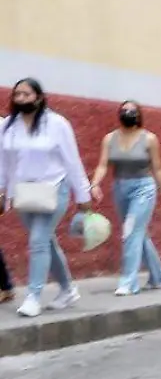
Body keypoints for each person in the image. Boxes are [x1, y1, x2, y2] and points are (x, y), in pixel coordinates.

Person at [0, 78, 92, 317]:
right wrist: (1, 192)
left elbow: (72, 161)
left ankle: (33, 296)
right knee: (45, 242)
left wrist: (83, 194)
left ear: (39, 97)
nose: (20, 99)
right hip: (24, 193)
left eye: (26, 94)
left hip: (53, 188)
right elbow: (3, 162)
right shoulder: (8, 125)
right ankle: (67, 289)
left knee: (38, 240)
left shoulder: (57, 124)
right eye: (17, 95)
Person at [89, 101, 161, 295]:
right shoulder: (110, 138)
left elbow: (157, 168)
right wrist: (94, 184)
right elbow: (102, 165)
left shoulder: (149, 138)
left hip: (143, 187)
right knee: (138, 233)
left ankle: (129, 282)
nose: (128, 113)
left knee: (131, 231)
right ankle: (158, 274)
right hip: (120, 187)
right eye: (125, 110)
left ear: (139, 115)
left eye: (133, 111)